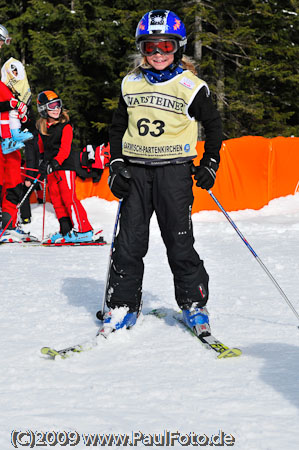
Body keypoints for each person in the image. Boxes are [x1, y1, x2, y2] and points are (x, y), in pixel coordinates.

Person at [101, 10, 222, 337]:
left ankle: (194, 304)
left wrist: (210, 162)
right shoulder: (130, 83)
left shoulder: (190, 86)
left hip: (174, 174)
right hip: (136, 174)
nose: (157, 54)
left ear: (178, 48)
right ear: (142, 48)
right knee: (128, 244)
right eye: (150, 47)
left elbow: (213, 126)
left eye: (165, 47)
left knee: (179, 244)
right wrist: (115, 165)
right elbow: (117, 128)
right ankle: (122, 304)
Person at [36, 90, 94, 243]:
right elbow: (41, 147)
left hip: (64, 166)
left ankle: (84, 229)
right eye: (52, 106)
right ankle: (66, 230)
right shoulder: (43, 128)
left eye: (58, 105)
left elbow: (65, 149)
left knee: (69, 198)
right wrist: (42, 161)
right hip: (51, 168)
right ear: (43, 109)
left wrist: (56, 162)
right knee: (56, 199)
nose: (56, 109)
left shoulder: (65, 127)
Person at [0, 24, 35, 243]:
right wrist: (9, 103)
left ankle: (9, 223)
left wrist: (18, 108)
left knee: (11, 178)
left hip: (6, 134)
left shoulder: (5, 70)